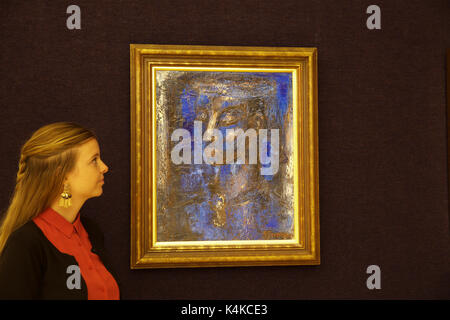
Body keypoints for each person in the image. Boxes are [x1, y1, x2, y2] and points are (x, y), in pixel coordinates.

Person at [0, 122, 120, 299]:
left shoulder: (91, 231)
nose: (104, 167)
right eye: (94, 160)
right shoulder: (26, 243)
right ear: (62, 176)